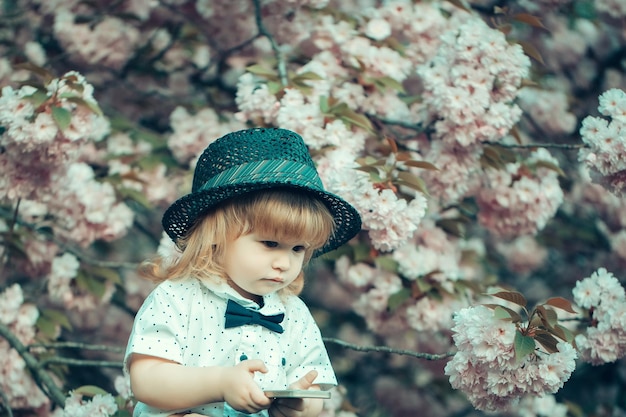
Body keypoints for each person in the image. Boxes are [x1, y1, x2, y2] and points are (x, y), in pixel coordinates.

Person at [124, 127, 362, 417]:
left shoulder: (294, 314)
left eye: (297, 249)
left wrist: (302, 405)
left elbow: (314, 386)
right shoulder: (177, 298)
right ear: (215, 234)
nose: (284, 263)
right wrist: (220, 382)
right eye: (270, 243)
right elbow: (146, 380)